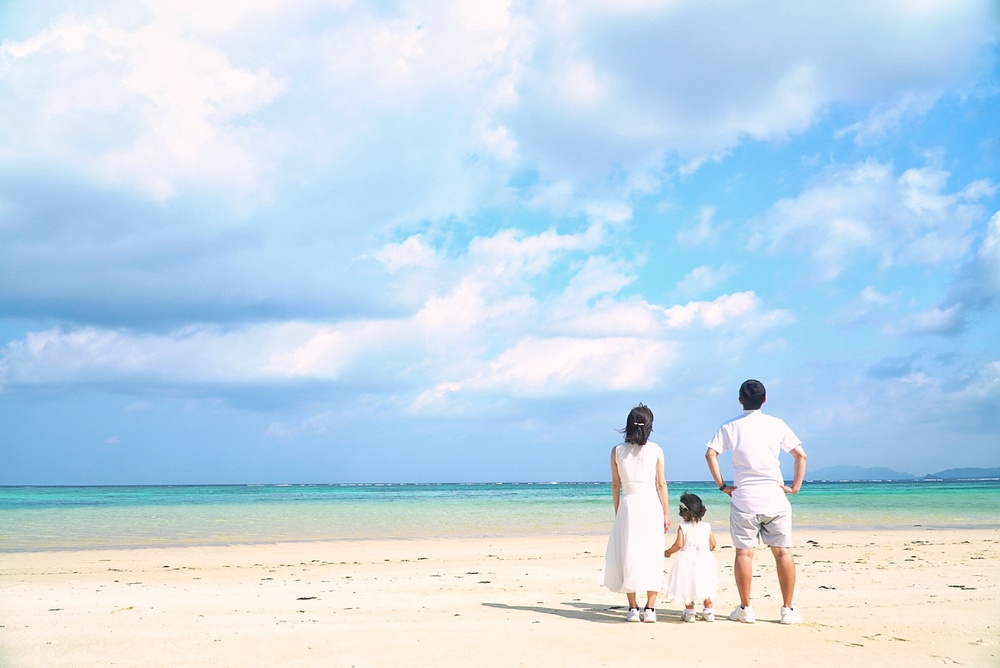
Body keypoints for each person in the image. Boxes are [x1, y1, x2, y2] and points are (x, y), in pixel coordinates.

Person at [705, 379, 807, 625]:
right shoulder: (777, 424)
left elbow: (710, 454)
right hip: (775, 499)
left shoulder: (730, 426)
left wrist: (723, 486)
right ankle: (787, 610)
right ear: (765, 399)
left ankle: (746, 608)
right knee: (783, 553)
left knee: (744, 553)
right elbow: (801, 456)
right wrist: (795, 487)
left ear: (740, 400)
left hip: (745, 500)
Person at [601, 404, 670, 623]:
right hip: (650, 504)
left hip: (628, 504)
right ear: (649, 426)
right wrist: (666, 513)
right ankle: (650, 608)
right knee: (652, 553)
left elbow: (615, 484)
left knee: (628, 552)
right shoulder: (656, 450)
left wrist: (618, 510)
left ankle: (632, 608)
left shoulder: (617, 451)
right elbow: (661, 484)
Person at [663, 492, 718, 622]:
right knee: (705, 583)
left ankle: (690, 612)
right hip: (704, 559)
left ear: (684, 511)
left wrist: (668, 552)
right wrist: (704, 550)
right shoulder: (706, 526)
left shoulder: (683, 527)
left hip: (687, 560)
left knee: (687, 585)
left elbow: (679, 544)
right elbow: (713, 544)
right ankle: (708, 611)